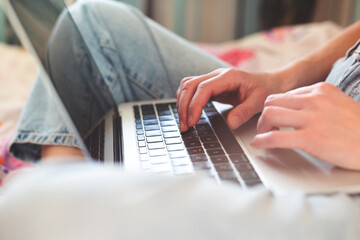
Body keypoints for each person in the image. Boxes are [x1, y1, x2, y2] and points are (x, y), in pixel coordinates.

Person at [1, 0, 360, 239]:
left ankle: (65, 191)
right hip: (318, 104)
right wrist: (284, 79)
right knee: (92, 25)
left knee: (29, 208)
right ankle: (67, 182)